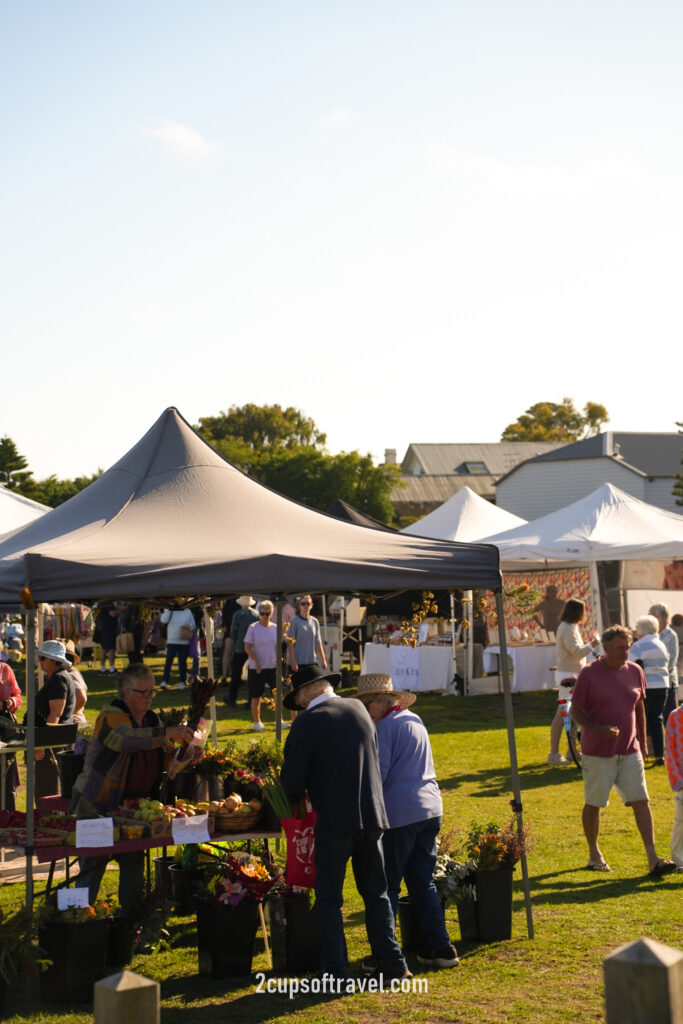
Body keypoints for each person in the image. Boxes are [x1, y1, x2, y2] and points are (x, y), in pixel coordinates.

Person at [280, 665, 410, 982]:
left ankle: (336, 971)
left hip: (335, 820)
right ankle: (393, 964)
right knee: (376, 893)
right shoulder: (358, 708)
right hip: (373, 814)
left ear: (303, 696)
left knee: (329, 900)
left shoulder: (308, 722)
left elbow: (291, 785)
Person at [351, 673, 459, 969]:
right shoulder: (414, 719)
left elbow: (379, 773)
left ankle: (385, 953)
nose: (365, 712)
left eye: (366, 705)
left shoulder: (386, 727)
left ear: (381, 702)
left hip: (401, 815)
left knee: (387, 887)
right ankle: (442, 948)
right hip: (429, 809)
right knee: (422, 883)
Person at [70, 663, 195, 916]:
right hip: (96, 804)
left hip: (132, 811)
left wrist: (185, 757)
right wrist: (168, 732)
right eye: (143, 692)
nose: (149, 698)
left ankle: (131, 923)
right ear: (127, 693)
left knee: (134, 866)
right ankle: (72, 918)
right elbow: (127, 740)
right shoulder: (111, 714)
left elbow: (163, 759)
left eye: (152, 692)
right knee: (91, 866)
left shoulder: (151, 720)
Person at [571, 624, 675, 875]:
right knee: (594, 803)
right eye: (619, 648)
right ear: (605, 648)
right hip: (597, 752)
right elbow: (576, 711)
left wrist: (642, 739)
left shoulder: (635, 671)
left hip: (630, 750)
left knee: (641, 800)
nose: (625, 652)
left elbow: (638, 705)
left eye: (627, 647)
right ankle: (594, 854)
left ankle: (653, 858)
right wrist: (598, 729)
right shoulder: (589, 673)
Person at [547, 599, 600, 764]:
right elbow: (577, 652)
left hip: (571, 672)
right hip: (567, 675)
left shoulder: (570, 627)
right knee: (562, 714)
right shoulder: (567, 628)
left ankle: (572, 751)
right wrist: (593, 643)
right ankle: (554, 754)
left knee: (574, 712)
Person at [34, 640, 77, 801]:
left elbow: (56, 714)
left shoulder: (59, 679)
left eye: (43, 658)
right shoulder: (59, 678)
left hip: (54, 743)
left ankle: (48, 822)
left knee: (48, 792)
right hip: (57, 741)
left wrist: (44, 745)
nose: (40, 662)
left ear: (53, 660)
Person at [630, 615, 670, 766]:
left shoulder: (638, 645)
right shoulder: (661, 644)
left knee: (640, 721)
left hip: (646, 686)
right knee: (657, 720)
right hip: (662, 685)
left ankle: (638, 753)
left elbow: (630, 665)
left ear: (641, 630)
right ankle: (660, 755)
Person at [244, 599, 277, 731]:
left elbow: (280, 646)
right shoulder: (253, 627)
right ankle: (257, 722)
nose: (264, 616)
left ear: (271, 613)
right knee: (256, 696)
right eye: (262, 613)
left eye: (267, 613)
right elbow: (247, 647)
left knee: (276, 694)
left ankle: (278, 719)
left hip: (272, 666)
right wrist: (256, 661)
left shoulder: (275, 628)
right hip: (256, 668)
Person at [649, 603, 680, 724]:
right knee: (654, 720)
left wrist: (654, 669)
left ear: (662, 618)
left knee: (670, 718)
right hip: (653, 683)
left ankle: (675, 742)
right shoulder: (650, 633)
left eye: (653, 616)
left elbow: (671, 662)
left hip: (668, 683)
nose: (650, 619)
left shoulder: (671, 635)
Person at [0, 647, 22, 811]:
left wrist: (11, 702)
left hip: (6, 728)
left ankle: (9, 816)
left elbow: (17, 695)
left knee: (7, 774)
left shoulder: (5, 669)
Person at [226, 596, 258, 707]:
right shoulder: (256, 614)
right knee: (252, 675)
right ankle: (250, 701)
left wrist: (235, 643)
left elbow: (233, 631)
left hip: (240, 647)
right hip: (253, 648)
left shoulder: (237, 614)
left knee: (236, 674)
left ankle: (232, 698)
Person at [287, 594, 327, 674]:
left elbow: (318, 643)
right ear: (299, 606)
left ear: (311, 605)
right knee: (298, 686)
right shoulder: (294, 621)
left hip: (311, 661)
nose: (305, 606)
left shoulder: (315, 621)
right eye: (303, 603)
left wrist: (323, 660)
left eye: (307, 603)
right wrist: (293, 661)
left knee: (317, 683)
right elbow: (290, 644)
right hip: (298, 662)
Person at [160, 604, 196, 690]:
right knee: (168, 661)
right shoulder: (170, 610)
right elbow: (163, 620)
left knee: (182, 662)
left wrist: (188, 626)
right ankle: (165, 681)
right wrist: (169, 609)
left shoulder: (187, 611)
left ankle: (182, 681)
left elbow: (193, 625)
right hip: (172, 641)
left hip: (183, 641)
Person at [664, 700, 683, 870]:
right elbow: (669, 750)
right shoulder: (675, 717)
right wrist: (676, 779)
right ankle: (679, 859)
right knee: (681, 821)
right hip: (682, 781)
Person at [57, 638, 88, 724]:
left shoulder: (70, 675)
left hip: (73, 722)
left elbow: (81, 698)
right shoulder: (68, 672)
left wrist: (68, 714)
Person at [95, 601, 119, 675]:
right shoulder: (108, 602)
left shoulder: (102, 602)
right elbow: (112, 613)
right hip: (108, 628)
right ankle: (112, 669)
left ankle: (102, 669)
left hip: (102, 628)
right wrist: (122, 609)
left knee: (104, 648)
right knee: (111, 648)